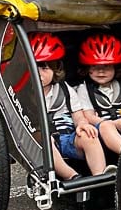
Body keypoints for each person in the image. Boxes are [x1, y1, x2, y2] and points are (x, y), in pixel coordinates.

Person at [29, 31, 108, 180]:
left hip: (67, 137)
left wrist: (82, 124)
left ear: (55, 70)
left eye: (44, 68)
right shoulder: (25, 93)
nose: (38, 74)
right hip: (42, 141)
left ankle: (100, 176)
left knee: (88, 135)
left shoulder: (65, 90)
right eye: (34, 68)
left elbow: (78, 116)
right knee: (46, 140)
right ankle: (72, 176)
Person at [74, 34, 121, 155]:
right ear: (87, 68)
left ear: (116, 67)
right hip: (101, 133)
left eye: (106, 66)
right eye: (95, 66)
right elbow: (89, 117)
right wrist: (114, 124)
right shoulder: (83, 89)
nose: (101, 71)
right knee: (106, 126)